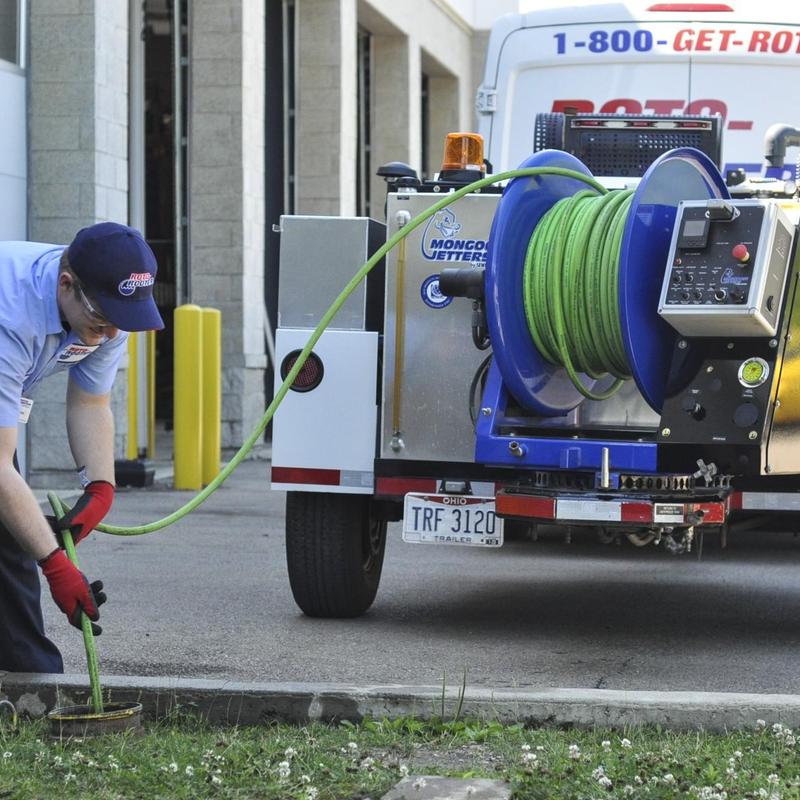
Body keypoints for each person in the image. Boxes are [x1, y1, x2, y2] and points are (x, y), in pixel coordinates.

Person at [0, 222, 164, 673]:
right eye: (103, 321)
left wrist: (100, 489)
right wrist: (55, 565)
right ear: (66, 285)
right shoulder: (10, 315)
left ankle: (30, 678)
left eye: (120, 321)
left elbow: (91, 403)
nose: (112, 335)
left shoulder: (108, 308)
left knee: (11, 535)